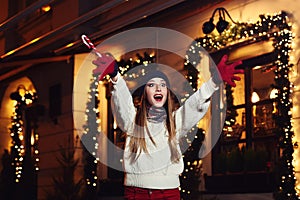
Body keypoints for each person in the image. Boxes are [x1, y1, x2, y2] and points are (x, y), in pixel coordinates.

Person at [92, 53, 243, 200]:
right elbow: (123, 104)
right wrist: (116, 77)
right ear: (145, 93)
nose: (158, 88)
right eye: (152, 85)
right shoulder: (133, 121)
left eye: (162, 85)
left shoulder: (174, 122)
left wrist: (213, 82)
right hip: (137, 193)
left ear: (167, 93)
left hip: (168, 193)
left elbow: (192, 105)